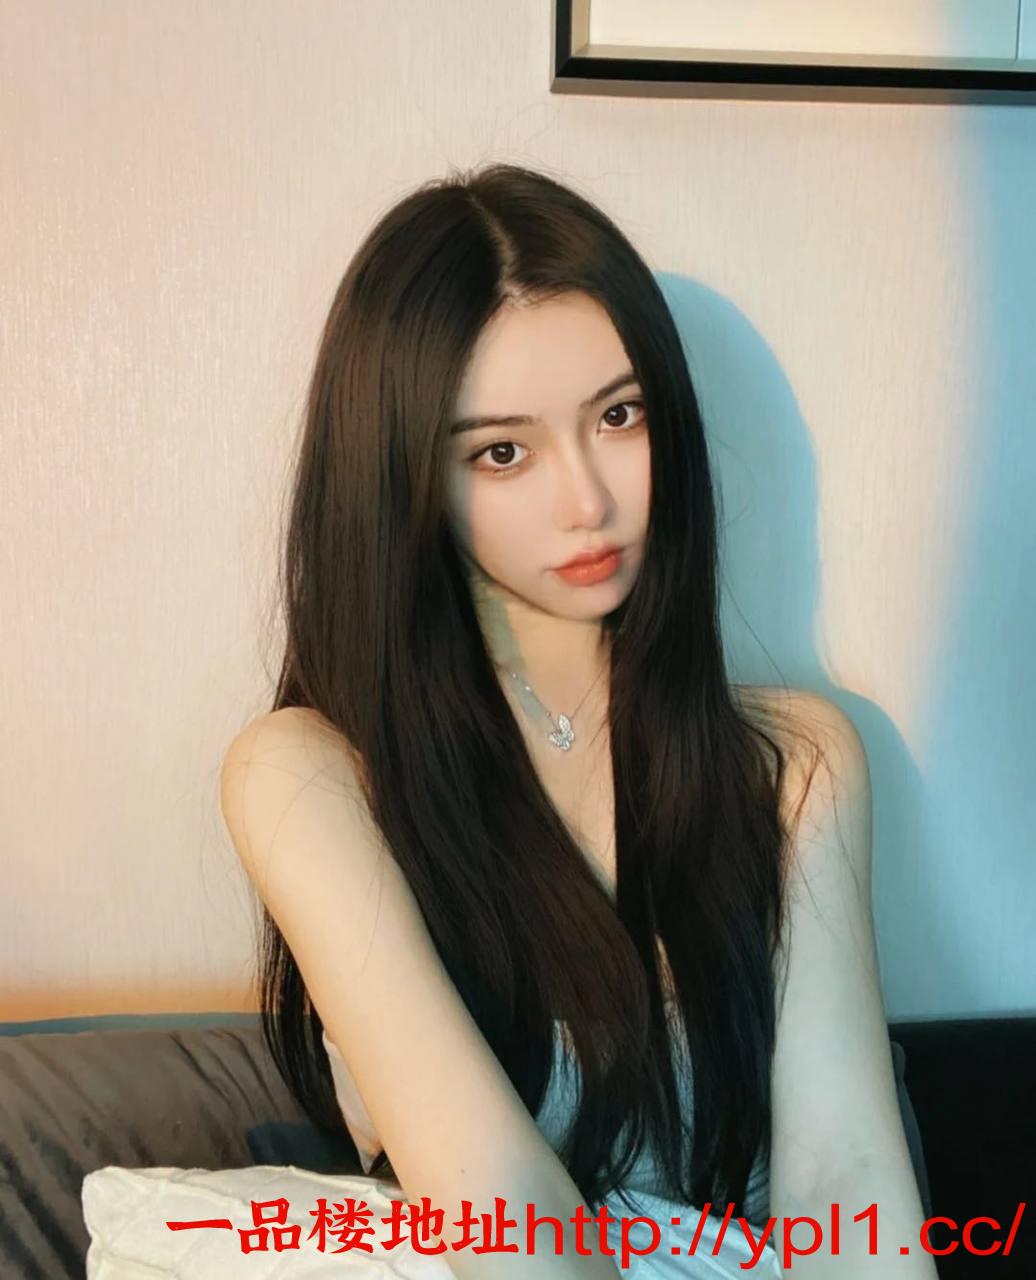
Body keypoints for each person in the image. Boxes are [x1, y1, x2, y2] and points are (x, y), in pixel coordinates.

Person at [219, 163, 936, 1278]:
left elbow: (844, 1179)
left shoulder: (793, 765)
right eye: (502, 451)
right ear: (405, 476)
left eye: (618, 414)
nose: (589, 500)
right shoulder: (308, 776)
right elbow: (501, 1210)